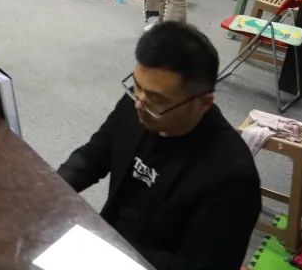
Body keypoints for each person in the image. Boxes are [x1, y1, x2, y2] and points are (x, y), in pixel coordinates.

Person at [58, 21, 260, 270]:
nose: (139, 104)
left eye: (156, 100)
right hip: (105, 246)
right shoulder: (141, 103)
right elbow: (94, 155)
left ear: (204, 103)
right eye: (137, 86)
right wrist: (50, 189)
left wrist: (105, 249)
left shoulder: (232, 178)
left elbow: (200, 266)